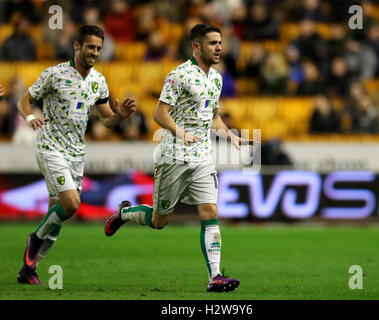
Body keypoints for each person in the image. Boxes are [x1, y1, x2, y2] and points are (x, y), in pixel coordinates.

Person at [105, 24, 253, 293]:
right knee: (160, 221)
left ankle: (215, 276)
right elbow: (160, 114)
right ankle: (124, 213)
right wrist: (180, 132)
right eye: (212, 43)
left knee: (210, 211)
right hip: (173, 156)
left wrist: (229, 135)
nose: (219, 47)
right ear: (196, 47)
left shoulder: (216, 79)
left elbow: (214, 114)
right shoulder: (179, 75)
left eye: (220, 42)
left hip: (202, 157)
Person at [15, 25, 137, 285]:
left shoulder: (98, 81)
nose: (94, 52)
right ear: (77, 45)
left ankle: (29, 269)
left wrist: (121, 117)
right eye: (90, 47)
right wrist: (29, 117)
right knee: (71, 203)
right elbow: (23, 100)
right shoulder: (55, 74)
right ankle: (33, 242)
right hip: (50, 147)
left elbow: (106, 121)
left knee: (57, 217)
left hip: (76, 154)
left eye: (98, 48)